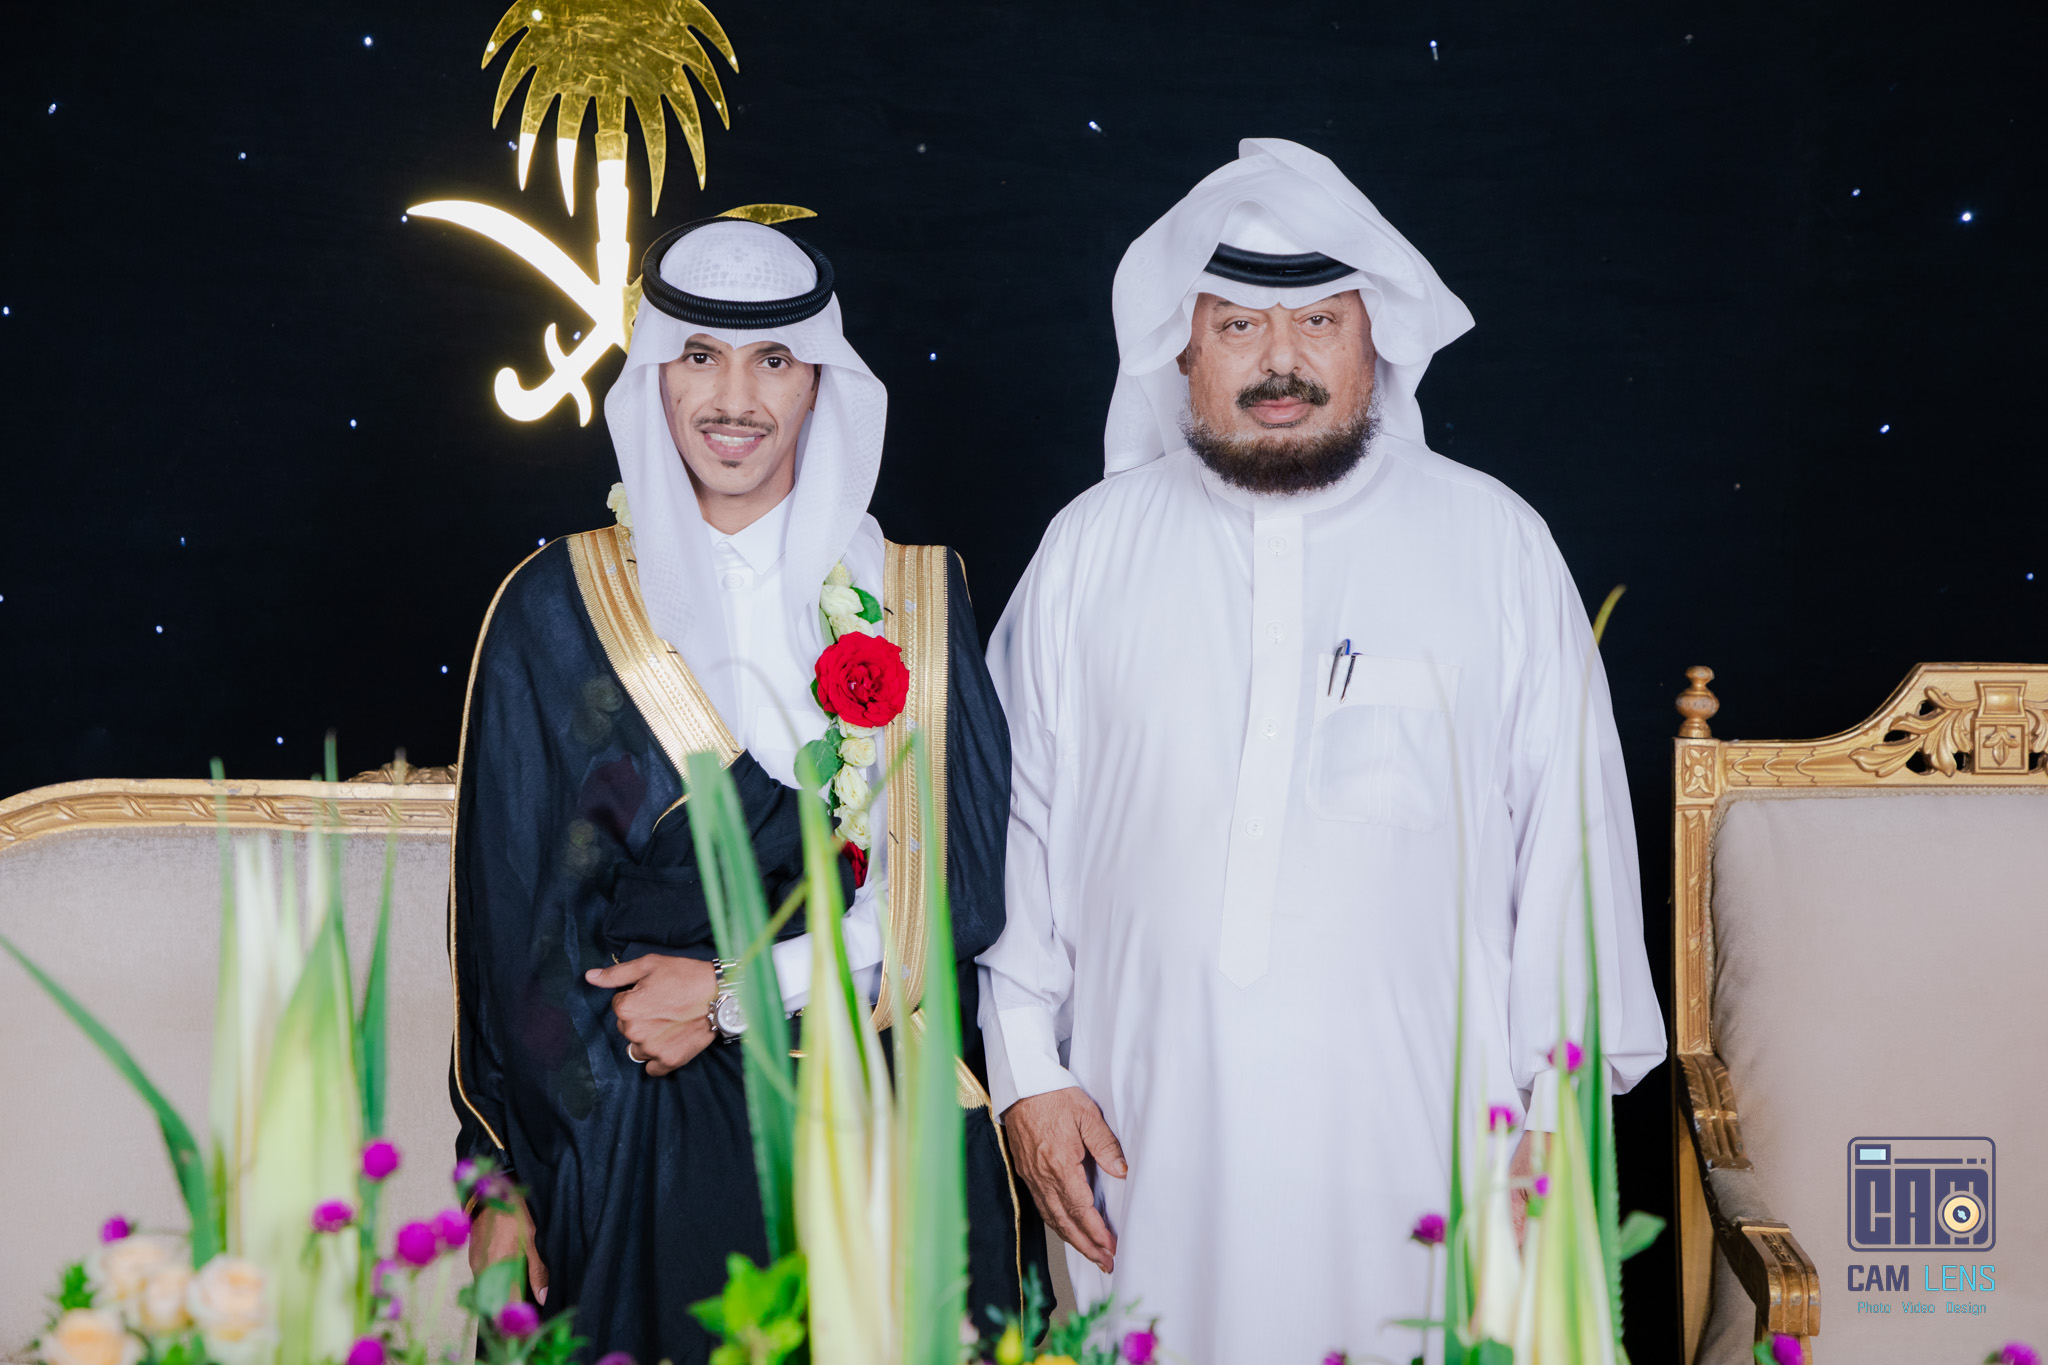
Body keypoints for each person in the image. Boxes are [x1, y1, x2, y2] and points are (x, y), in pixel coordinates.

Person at [977, 139, 1666, 1363]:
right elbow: (1012, 832)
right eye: (1237, 326)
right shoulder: (1087, 550)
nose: (1278, 362)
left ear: (1374, 339)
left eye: (1317, 323)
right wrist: (1028, 1074)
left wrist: (1552, 1117)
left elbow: (1569, 850)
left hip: (1436, 1150)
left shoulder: (1494, 545)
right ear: (1181, 349)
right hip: (1142, 1146)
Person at [447, 217, 1036, 1363]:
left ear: (820, 381)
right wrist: (498, 1185)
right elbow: (510, 934)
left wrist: (732, 993)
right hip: (631, 1145)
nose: (734, 399)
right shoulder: (555, 606)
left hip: (872, 1128)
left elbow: (953, 900)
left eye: (773, 360)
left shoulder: (916, 600)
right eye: (699, 356)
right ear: (655, 377)